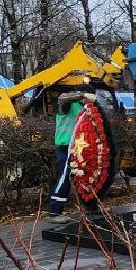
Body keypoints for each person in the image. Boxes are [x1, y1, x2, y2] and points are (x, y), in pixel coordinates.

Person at [47, 91, 84, 222]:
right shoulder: (67, 104)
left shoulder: (82, 106)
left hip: (79, 147)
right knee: (64, 176)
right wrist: (83, 94)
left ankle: (91, 206)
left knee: (86, 176)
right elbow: (63, 98)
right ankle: (54, 211)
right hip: (65, 146)